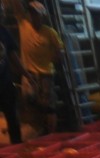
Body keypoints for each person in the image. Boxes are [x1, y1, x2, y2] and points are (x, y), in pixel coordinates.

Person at [9, 1, 62, 135]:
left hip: (45, 75)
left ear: (42, 16)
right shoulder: (24, 25)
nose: (33, 16)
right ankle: (38, 132)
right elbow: (17, 7)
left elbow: (59, 51)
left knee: (48, 107)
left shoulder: (50, 33)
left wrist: (51, 60)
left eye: (36, 14)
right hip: (29, 74)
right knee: (30, 104)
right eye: (31, 13)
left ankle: (50, 134)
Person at [0, 23, 22, 144]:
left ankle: (17, 146)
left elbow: (13, 56)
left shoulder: (3, 31)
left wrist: (25, 74)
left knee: (12, 117)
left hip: (5, 82)